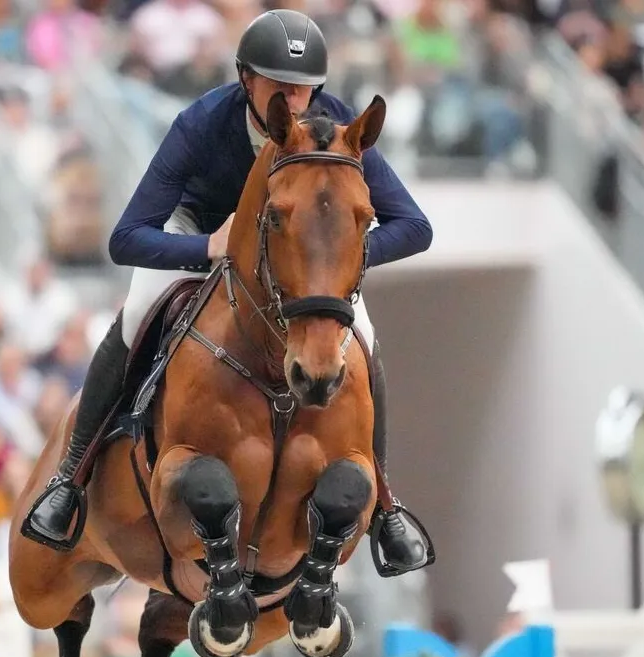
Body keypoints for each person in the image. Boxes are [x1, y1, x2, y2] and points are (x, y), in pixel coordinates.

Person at [21, 9, 435, 577]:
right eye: (278, 84)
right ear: (247, 80)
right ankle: (70, 477)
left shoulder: (334, 129)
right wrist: (205, 248)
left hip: (293, 266)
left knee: (365, 336)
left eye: (304, 86)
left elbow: (414, 226)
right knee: (136, 313)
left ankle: (385, 504)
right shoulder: (202, 124)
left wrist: (333, 265)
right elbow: (126, 237)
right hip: (201, 236)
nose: (294, 97)